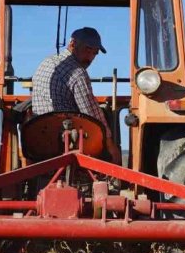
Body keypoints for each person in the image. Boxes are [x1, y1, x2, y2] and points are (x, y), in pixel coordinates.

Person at [31, 27, 121, 163]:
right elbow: (91, 113)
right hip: (64, 139)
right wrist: (111, 146)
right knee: (104, 117)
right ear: (72, 44)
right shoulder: (77, 73)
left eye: (94, 53)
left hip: (38, 138)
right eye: (87, 50)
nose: (90, 57)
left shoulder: (45, 63)